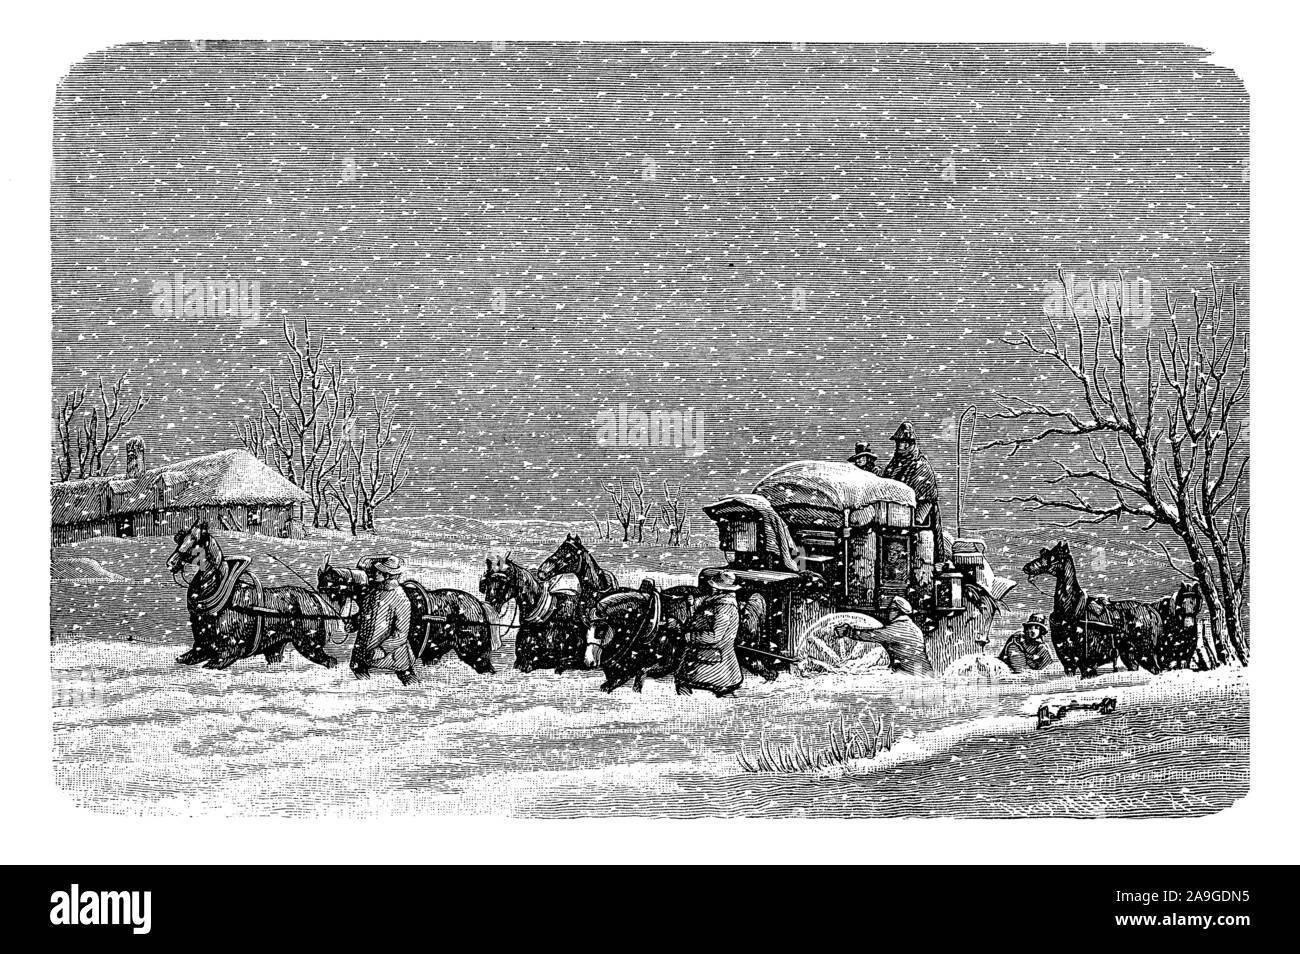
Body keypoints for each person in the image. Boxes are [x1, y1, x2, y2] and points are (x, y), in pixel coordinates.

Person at [676, 570, 744, 697]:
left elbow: (715, 636)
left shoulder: (724, 608)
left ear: (721, 590)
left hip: (713, 663)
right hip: (709, 659)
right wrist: (691, 605)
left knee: (685, 685)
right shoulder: (716, 602)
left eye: (714, 587)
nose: (711, 589)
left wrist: (691, 636)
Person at [351, 555, 416, 685]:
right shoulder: (372, 593)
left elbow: (401, 634)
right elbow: (364, 617)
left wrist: (382, 650)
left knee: (407, 684)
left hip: (391, 657)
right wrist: (354, 624)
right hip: (362, 655)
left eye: (379, 572)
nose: (375, 574)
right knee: (362, 685)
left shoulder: (400, 598)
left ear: (388, 576)